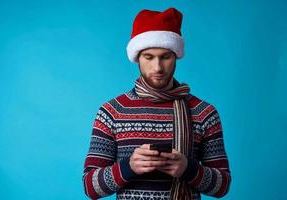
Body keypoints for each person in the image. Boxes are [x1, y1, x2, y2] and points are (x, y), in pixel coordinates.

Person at [82, 7, 231, 200]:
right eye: (149, 57)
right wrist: (129, 166)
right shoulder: (112, 112)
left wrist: (189, 169)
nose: (158, 67)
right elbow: (90, 187)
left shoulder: (204, 113)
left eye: (165, 57)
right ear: (137, 58)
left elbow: (223, 186)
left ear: (176, 56)